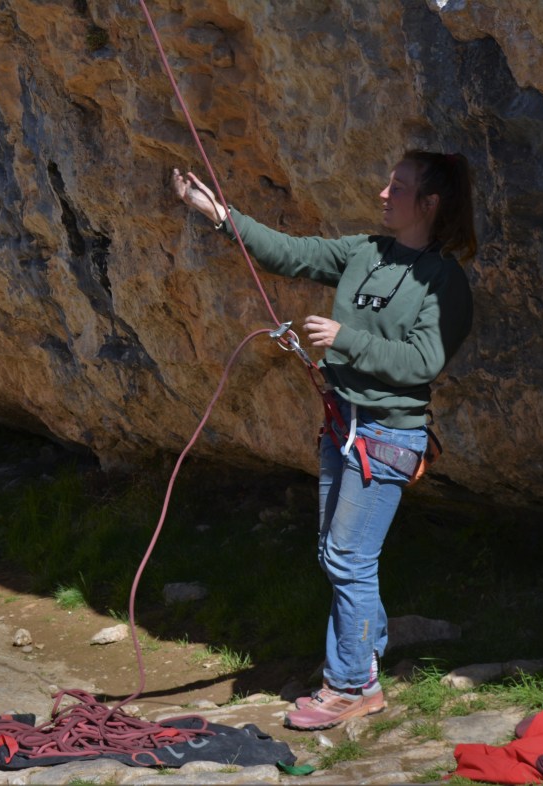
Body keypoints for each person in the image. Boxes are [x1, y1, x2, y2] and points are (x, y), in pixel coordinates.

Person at [172, 151, 475, 731]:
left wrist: (346, 339)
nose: (383, 193)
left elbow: (423, 360)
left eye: (398, 187)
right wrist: (217, 212)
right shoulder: (366, 251)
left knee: (348, 558)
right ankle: (364, 662)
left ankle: (351, 685)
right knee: (336, 555)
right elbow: (290, 252)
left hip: (386, 436)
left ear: (430, 204)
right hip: (343, 426)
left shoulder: (445, 281)